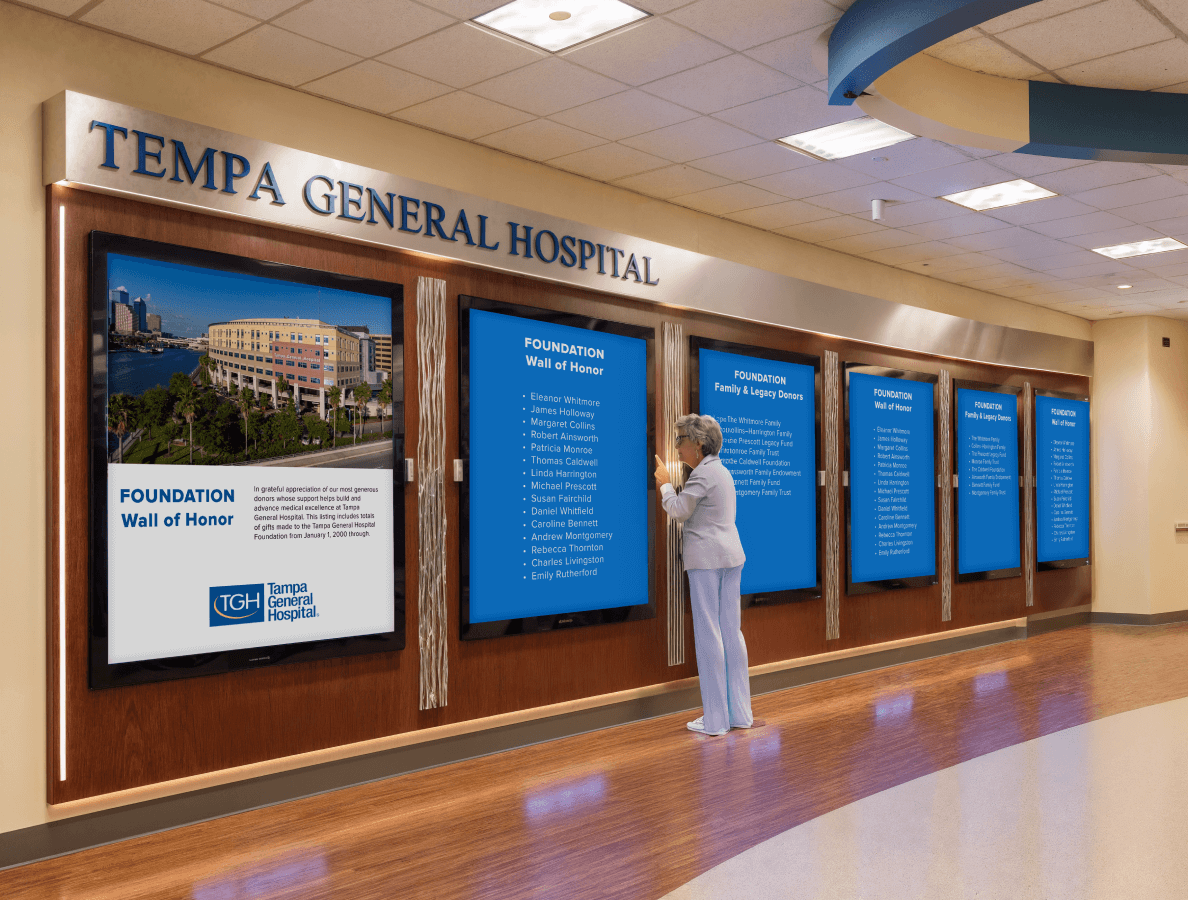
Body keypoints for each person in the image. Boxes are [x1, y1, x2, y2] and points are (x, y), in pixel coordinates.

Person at [654, 414, 753, 737]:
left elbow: (680, 510)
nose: (678, 448)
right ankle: (739, 715)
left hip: (707, 561)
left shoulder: (702, 475)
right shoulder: (720, 471)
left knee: (709, 635)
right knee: (731, 634)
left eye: (681, 441)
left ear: (698, 444)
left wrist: (665, 483)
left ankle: (715, 721)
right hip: (730, 558)